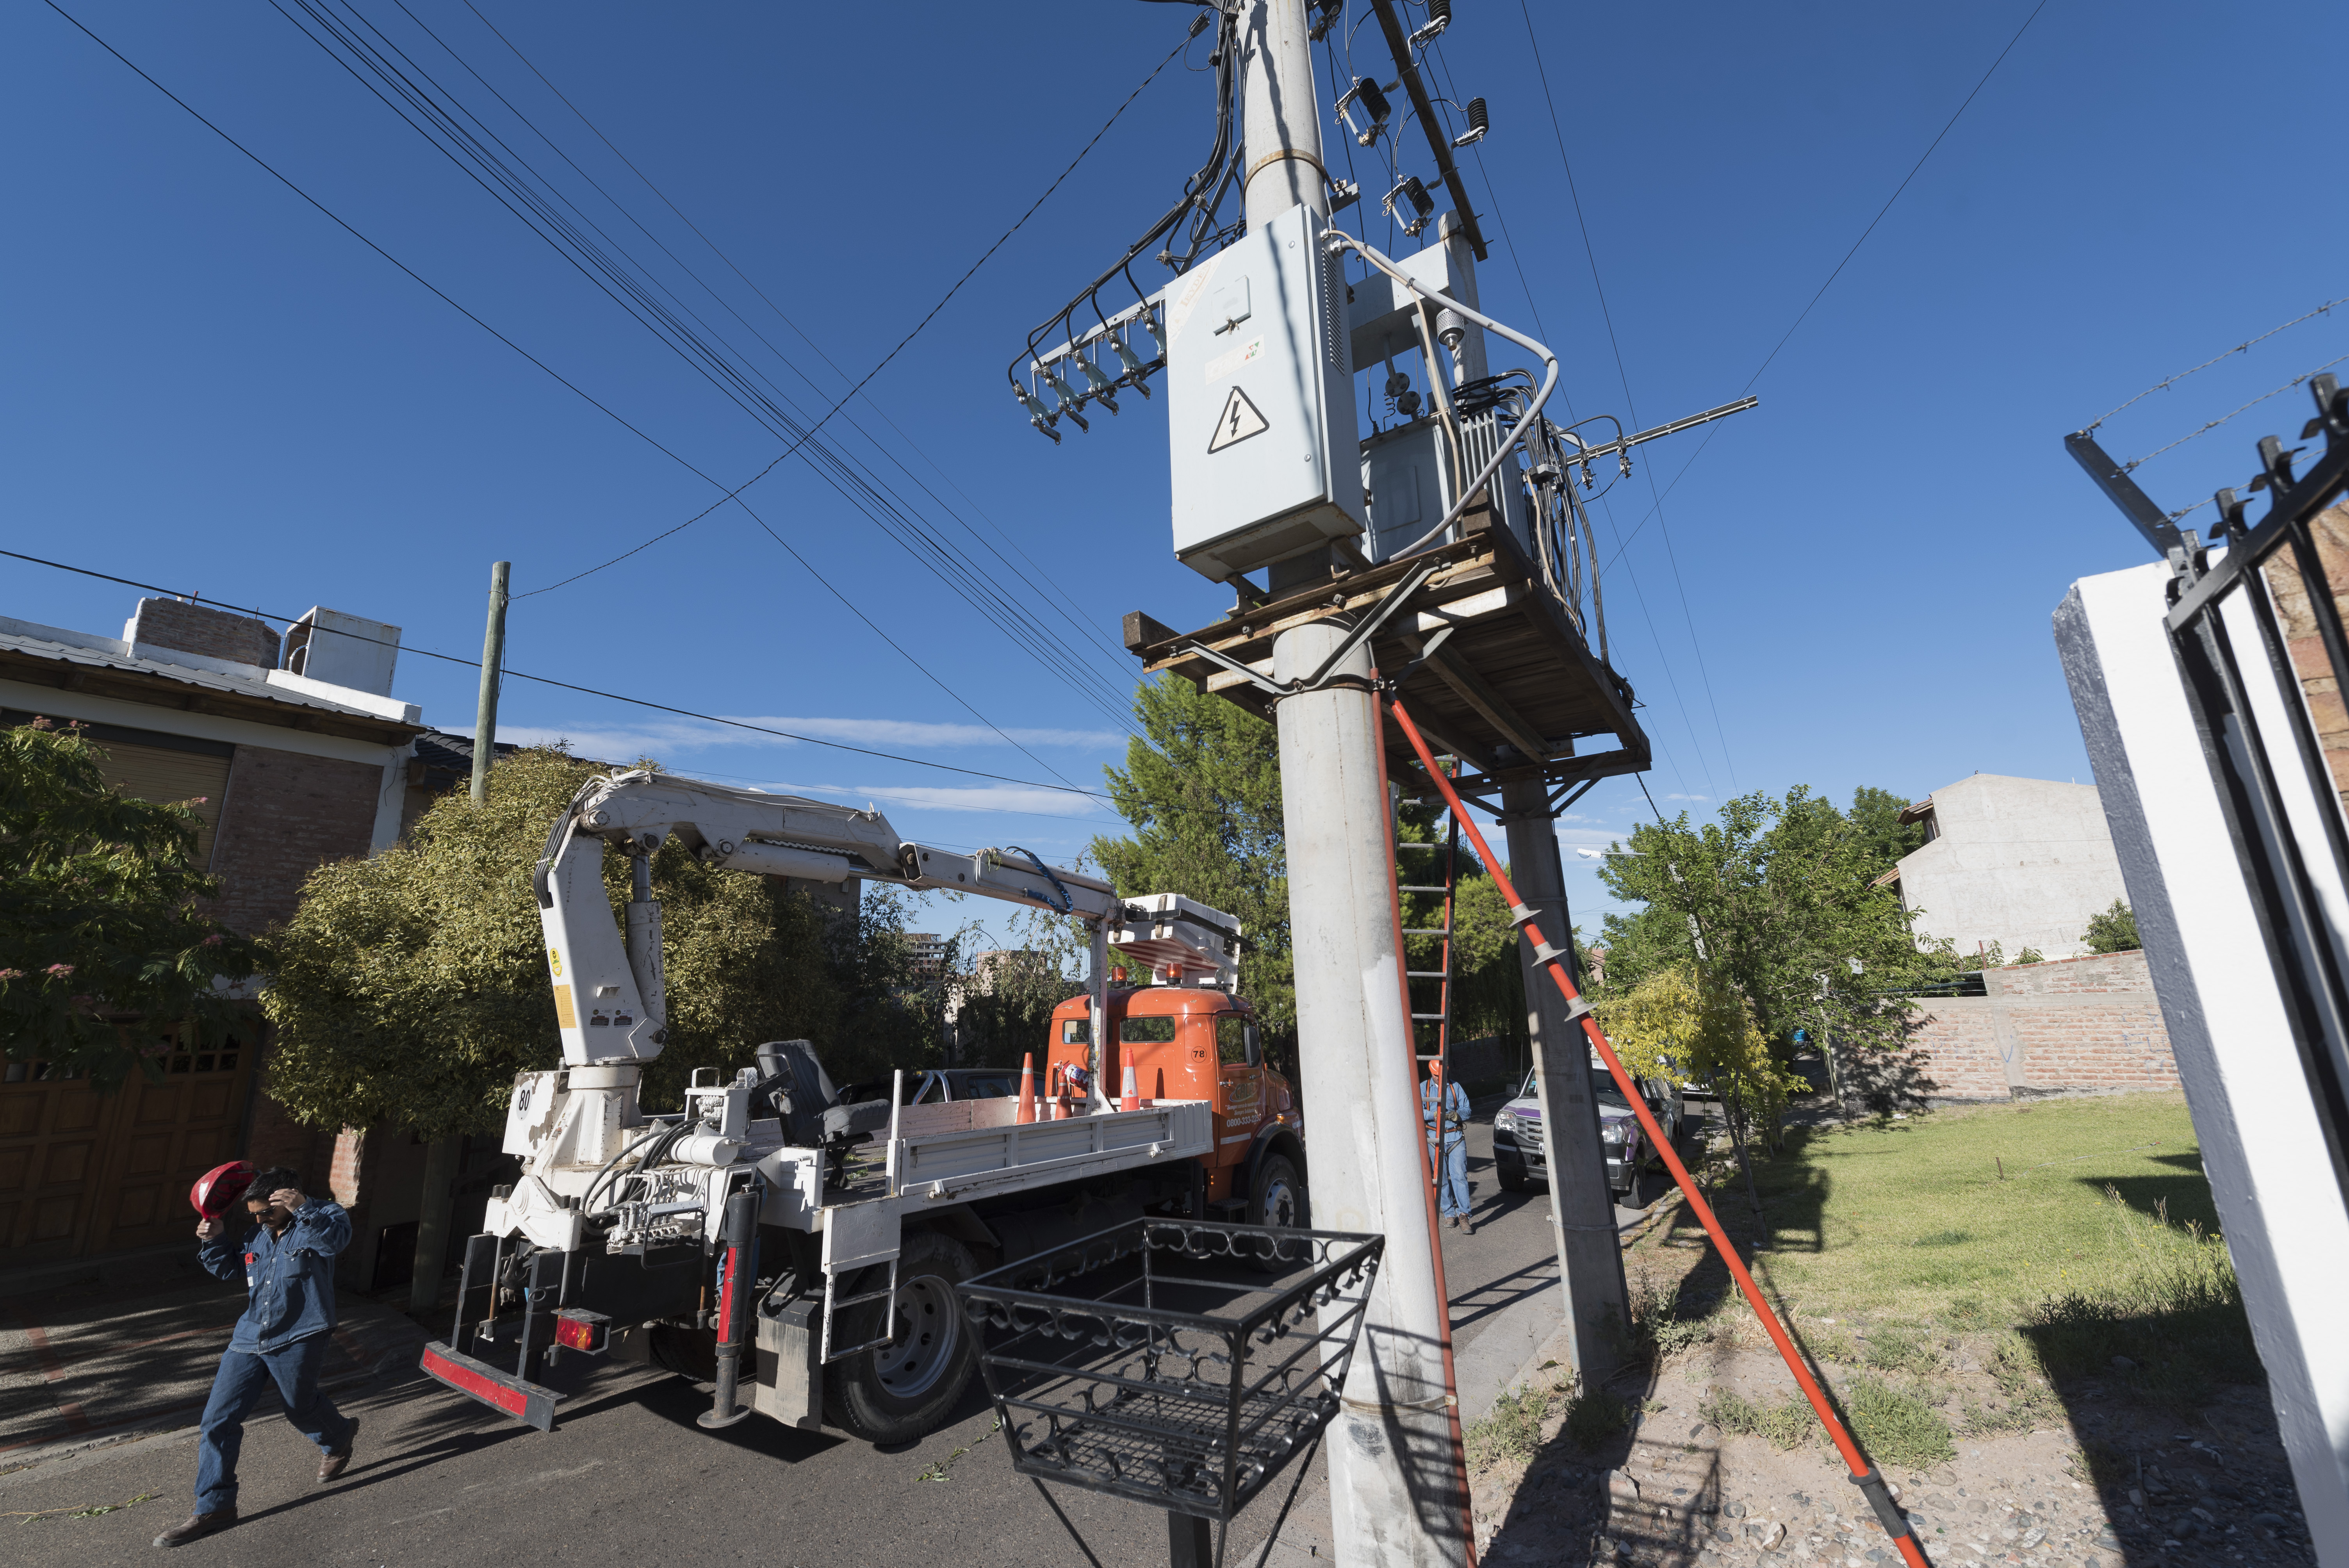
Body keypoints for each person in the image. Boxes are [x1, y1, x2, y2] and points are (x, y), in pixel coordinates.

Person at [153, 1166, 360, 1548]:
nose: (260, 1219)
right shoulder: (257, 1233)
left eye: (266, 1211)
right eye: (254, 1214)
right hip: (249, 1337)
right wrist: (215, 1240)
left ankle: (338, 1435)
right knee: (218, 1419)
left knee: (299, 1406)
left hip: (301, 1332)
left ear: (289, 1196)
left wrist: (304, 1210)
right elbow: (231, 1267)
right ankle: (214, 1506)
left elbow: (333, 1244)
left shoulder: (326, 1215)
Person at [1420, 1060, 1473, 1234]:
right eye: (1437, 1076)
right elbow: (1418, 1110)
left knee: (1459, 1177)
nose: (1440, 1078)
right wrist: (1432, 1115)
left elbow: (1468, 1109)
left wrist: (1458, 1115)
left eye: (1443, 1075)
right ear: (1431, 1073)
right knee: (1441, 1178)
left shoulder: (1455, 1087)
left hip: (1456, 1138)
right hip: (1435, 1140)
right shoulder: (1423, 1089)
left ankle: (1464, 1215)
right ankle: (1449, 1214)